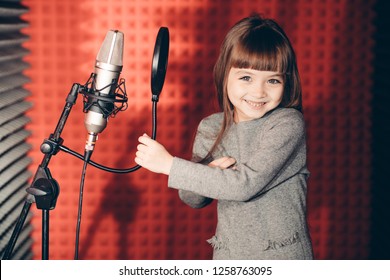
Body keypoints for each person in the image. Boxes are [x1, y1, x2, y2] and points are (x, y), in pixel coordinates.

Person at [135, 14, 313, 260]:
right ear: (224, 74)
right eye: (246, 77)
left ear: (286, 82)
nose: (258, 92)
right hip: (230, 258)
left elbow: (244, 185)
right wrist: (208, 170)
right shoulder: (211, 126)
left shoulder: (287, 124)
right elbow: (192, 198)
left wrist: (169, 165)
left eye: (272, 80)